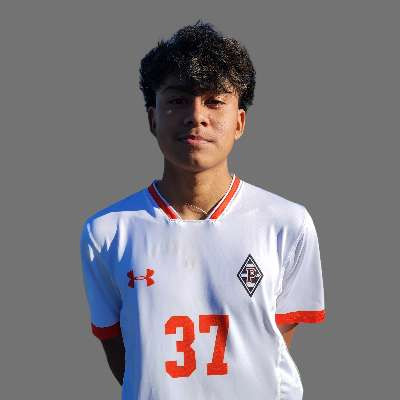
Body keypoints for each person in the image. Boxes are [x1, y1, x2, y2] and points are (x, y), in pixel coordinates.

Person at [80, 20, 326, 400]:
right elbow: (122, 353)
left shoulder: (287, 224)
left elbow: (273, 344)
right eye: (178, 100)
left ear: (239, 122)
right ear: (152, 118)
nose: (197, 116)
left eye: (214, 101)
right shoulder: (107, 232)